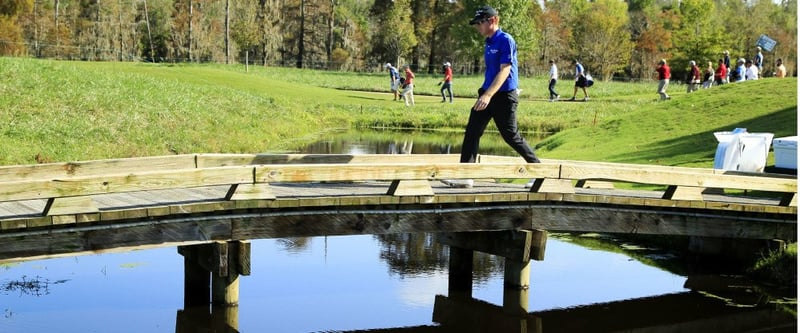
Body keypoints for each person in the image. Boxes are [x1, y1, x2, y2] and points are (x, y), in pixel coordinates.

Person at [441, 5, 541, 188]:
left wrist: (487, 95)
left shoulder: (506, 40)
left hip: (503, 96)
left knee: (511, 135)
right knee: (472, 131)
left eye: (480, 22)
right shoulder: (488, 42)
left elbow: (505, 70)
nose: (477, 26)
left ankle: (540, 172)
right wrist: (485, 93)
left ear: (492, 20)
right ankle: (466, 177)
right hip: (487, 93)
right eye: (476, 23)